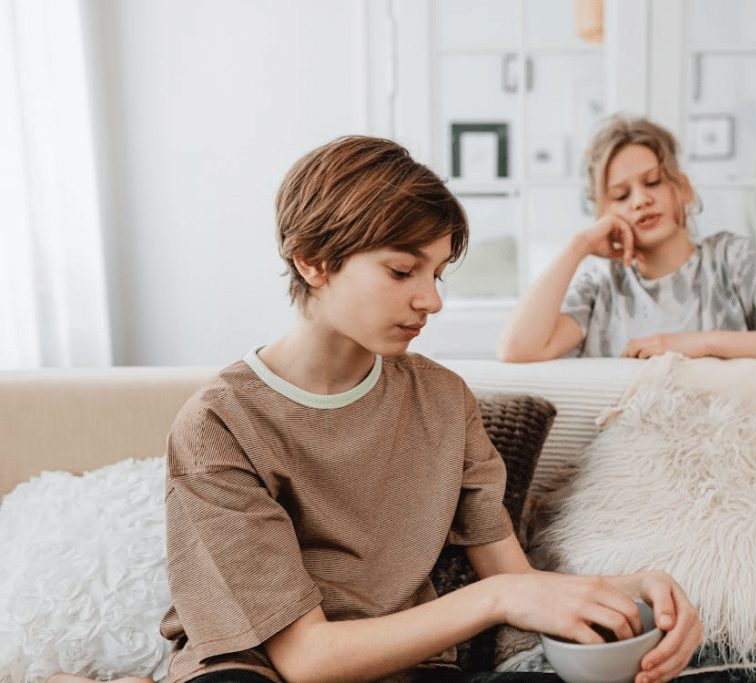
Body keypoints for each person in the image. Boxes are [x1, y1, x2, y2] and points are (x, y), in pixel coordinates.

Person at [48, 136, 702, 683]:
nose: (432, 300)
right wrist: (499, 595)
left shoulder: (444, 401)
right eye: (402, 271)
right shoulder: (220, 424)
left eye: (438, 273)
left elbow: (513, 577)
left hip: (411, 665)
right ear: (313, 261)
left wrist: (636, 587)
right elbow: (304, 656)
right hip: (256, 668)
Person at [495, 115, 756, 367]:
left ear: (683, 189)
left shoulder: (733, 260)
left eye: (653, 183)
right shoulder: (600, 286)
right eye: (621, 195)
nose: (640, 199)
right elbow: (516, 350)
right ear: (604, 214)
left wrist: (703, 343)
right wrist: (577, 247)